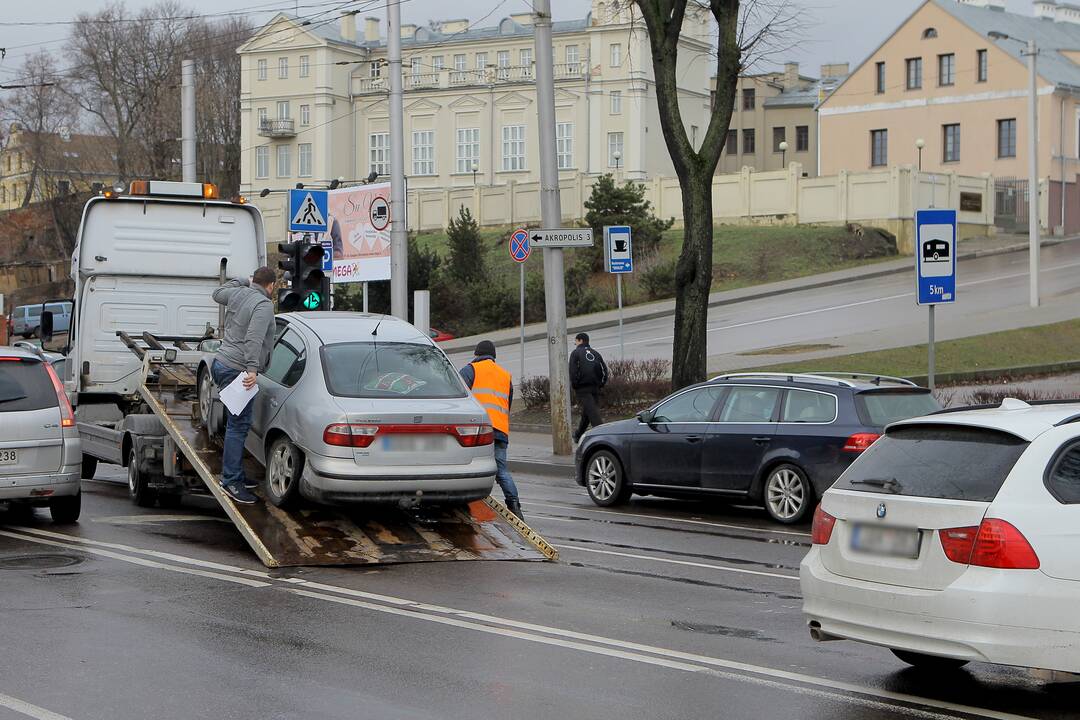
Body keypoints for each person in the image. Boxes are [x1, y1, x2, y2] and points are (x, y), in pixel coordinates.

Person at [210, 267, 277, 505]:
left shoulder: (238, 293)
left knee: (235, 424)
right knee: (238, 426)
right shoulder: (263, 305)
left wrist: (241, 280)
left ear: (253, 281)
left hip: (221, 363)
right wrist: (252, 369)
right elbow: (254, 338)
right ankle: (231, 482)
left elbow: (218, 293)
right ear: (271, 286)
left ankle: (235, 474)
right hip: (238, 369)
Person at [460, 340, 523, 520]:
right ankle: (515, 506)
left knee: (470, 466)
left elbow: (459, 396)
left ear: (476, 354)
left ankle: (467, 505)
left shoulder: (470, 370)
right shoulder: (505, 375)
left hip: (478, 430)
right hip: (501, 429)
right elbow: (507, 404)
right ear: (494, 356)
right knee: (501, 471)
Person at [569, 332, 609, 443]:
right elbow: (604, 370)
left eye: (576, 341)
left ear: (580, 340)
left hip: (582, 388)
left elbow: (572, 371)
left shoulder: (575, 353)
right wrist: (601, 384)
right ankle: (578, 435)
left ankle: (604, 438)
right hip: (595, 387)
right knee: (588, 412)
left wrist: (575, 385)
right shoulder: (595, 353)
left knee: (593, 414)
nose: (575, 343)